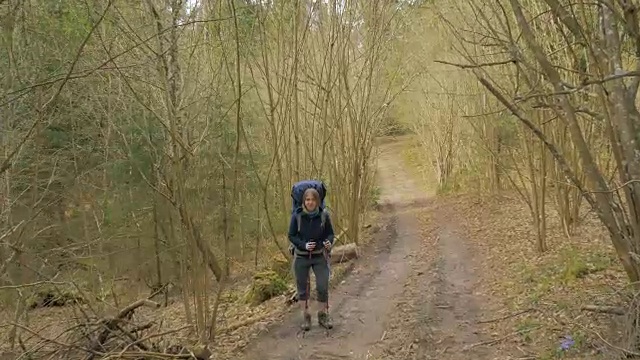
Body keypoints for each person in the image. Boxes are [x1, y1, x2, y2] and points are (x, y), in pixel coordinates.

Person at [288, 187, 335, 331]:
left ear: (317, 201)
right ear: (303, 201)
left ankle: (322, 315)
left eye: (313, 200)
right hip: (302, 257)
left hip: (320, 256)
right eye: (307, 200)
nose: (310, 202)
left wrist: (328, 242)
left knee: (322, 286)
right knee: (302, 289)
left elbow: (330, 234)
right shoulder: (297, 216)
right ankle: (306, 317)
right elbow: (291, 235)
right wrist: (304, 245)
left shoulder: (324, 215)